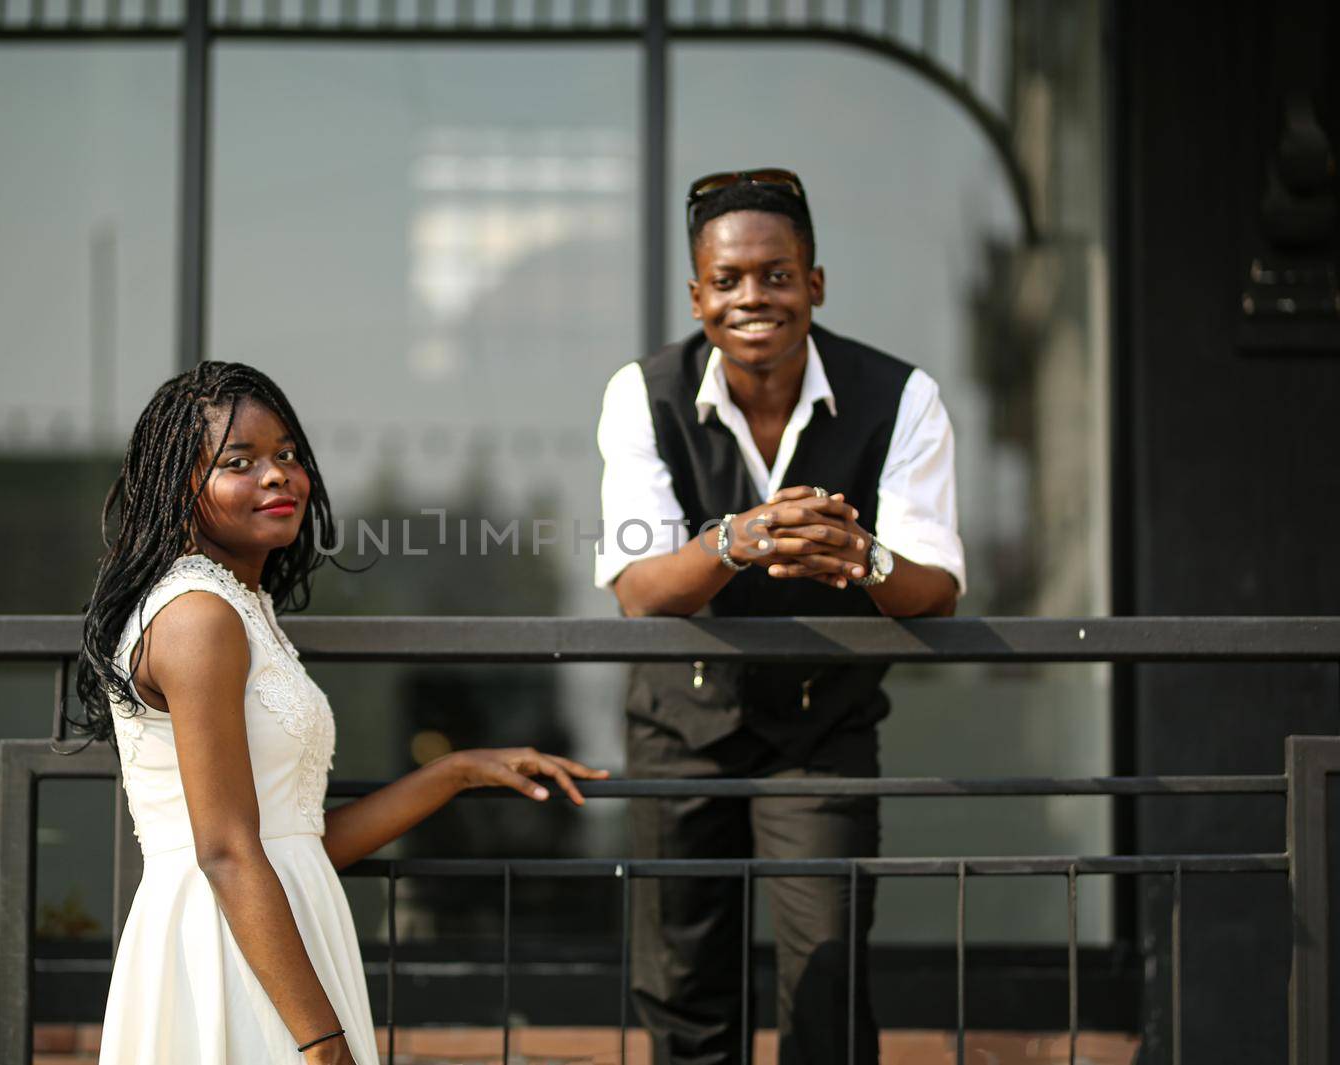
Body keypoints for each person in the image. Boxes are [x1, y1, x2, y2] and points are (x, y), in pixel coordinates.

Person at [72, 361, 606, 1065]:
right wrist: (323, 1043)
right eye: (241, 461)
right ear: (179, 489)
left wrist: (455, 772)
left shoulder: (242, 607)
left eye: (287, 455)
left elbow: (300, 843)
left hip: (280, 937)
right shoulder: (196, 616)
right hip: (225, 953)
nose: (277, 475)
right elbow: (227, 851)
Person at [595, 169, 964, 1065]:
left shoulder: (901, 396)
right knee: (683, 989)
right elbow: (640, 587)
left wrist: (861, 555)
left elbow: (939, 585)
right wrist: (738, 539)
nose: (752, 297)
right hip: (679, 725)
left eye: (776, 274)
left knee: (825, 989)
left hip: (821, 724)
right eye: (727, 281)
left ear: (816, 283)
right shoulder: (642, 394)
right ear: (698, 295)